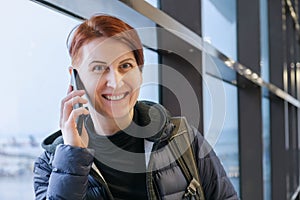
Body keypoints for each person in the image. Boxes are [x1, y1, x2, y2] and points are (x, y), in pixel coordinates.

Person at [33, 14, 238, 200]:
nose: (115, 82)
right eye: (98, 68)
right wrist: (72, 158)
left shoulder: (184, 139)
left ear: (139, 72)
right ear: (75, 77)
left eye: (125, 66)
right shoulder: (51, 166)